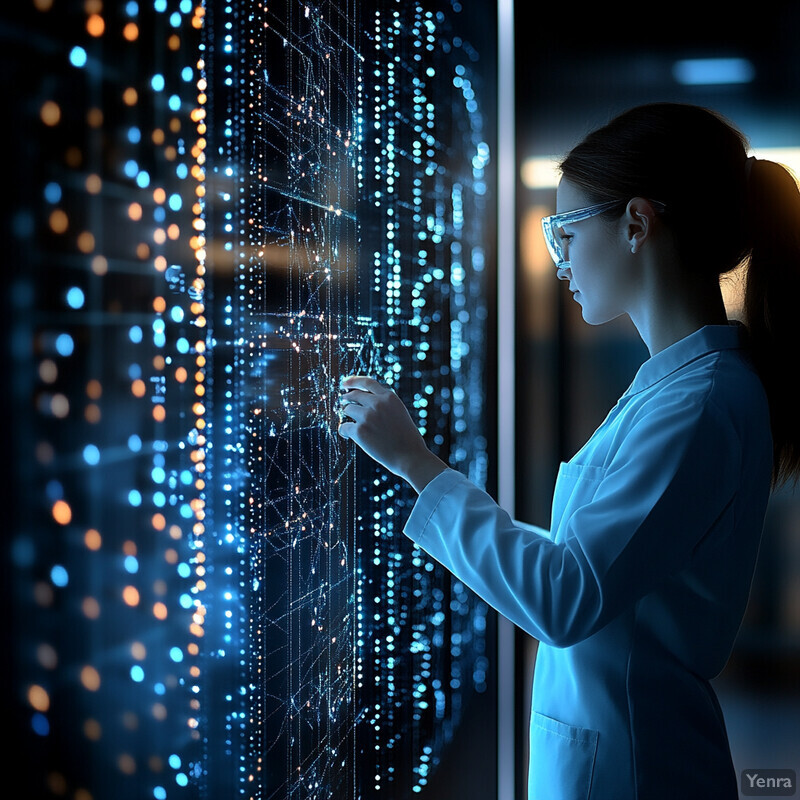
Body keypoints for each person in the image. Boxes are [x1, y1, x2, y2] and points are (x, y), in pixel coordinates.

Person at [336, 102, 800, 800]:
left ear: (637, 224)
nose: (559, 261)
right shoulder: (683, 389)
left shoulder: (700, 403)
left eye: (565, 232)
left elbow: (566, 596)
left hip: (635, 767)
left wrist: (415, 462)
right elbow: (584, 570)